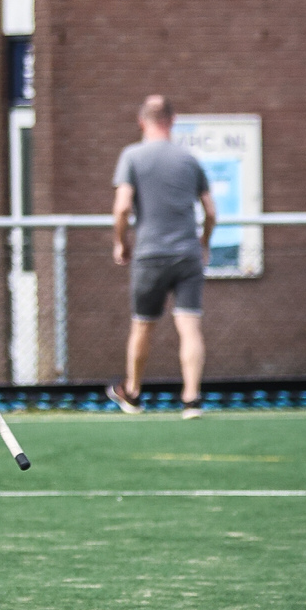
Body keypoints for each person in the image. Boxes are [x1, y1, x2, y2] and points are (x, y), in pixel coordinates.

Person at [110, 97, 216, 417]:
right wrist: (205, 243)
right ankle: (191, 399)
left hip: (150, 255)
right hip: (187, 254)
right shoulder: (189, 159)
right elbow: (211, 211)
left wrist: (121, 243)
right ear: (173, 120)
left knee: (142, 326)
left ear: (142, 122)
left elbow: (122, 207)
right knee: (189, 326)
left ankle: (133, 393)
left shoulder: (132, 156)